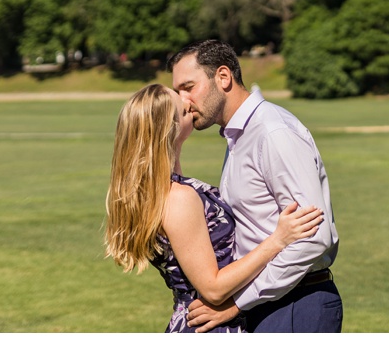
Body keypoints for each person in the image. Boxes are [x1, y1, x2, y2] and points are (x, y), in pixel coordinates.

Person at [105, 83, 325, 333]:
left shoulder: (167, 190)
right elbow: (213, 287)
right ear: (170, 127)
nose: (188, 101)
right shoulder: (178, 198)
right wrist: (278, 240)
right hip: (208, 323)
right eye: (182, 105)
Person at [169, 39, 342, 333]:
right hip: (269, 305)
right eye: (178, 92)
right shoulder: (239, 135)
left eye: (189, 87)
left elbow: (313, 238)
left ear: (223, 77)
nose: (183, 101)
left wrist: (238, 303)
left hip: (294, 305)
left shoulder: (272, 132)